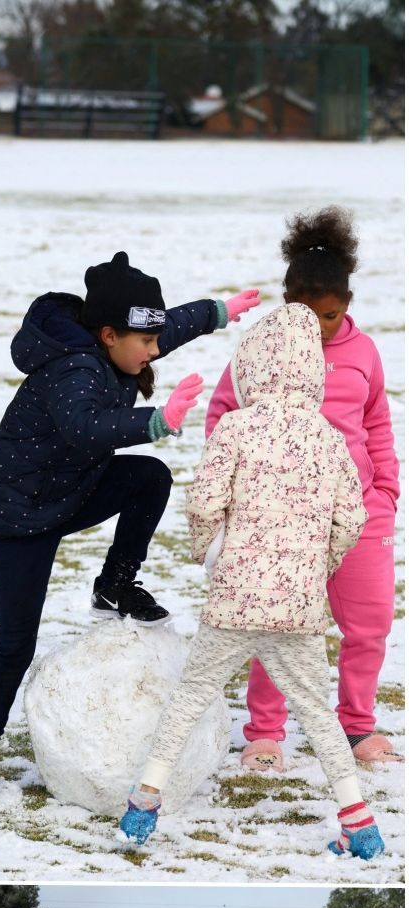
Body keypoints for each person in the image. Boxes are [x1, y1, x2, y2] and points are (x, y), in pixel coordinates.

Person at [0, 253, 261, 799]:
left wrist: (219, 311)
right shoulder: (74, 366)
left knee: (149, 478)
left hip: (70, 491)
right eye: (144, 341)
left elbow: (168, 328)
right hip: (20, 516)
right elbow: (85, 428)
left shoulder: (124, 345)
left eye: (154, 338)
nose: (154, 350)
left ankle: (114, 584)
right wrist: (156, 421)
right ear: (108, 334)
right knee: (16, 643)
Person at [119, 303, 382, 861]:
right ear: (311, 370)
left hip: (234, 600)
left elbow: (205, 501)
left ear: (252, 367)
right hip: (298, 606)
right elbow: (352, 517)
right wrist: (322, 563)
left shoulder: (235, 428)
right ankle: (359, 822)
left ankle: (144, 803)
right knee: (317, 712)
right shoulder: (328, 437)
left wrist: (210, 552)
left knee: (191, 697)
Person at [206, 207, 400, 769]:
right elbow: (223, 415)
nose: (317, 328)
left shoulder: (363, 353)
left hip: (361, 512)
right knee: (278, 620)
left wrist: (385, 490)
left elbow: (378, 424)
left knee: (369, 624)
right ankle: (266, 732)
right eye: (305, 315)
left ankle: (357, 727)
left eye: (332, 316)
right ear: (286, 300)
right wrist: (245, 486)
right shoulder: (258, 352)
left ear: (348, 306)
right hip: (281, 517)